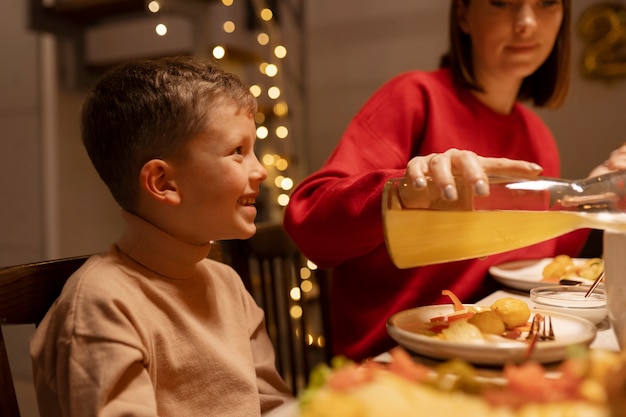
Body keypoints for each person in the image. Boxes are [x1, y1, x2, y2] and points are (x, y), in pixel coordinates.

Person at [283, 0, 626, 361]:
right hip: (390, 362)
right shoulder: (414, 99)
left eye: (546, 3)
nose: (526, 22)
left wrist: (593, 190)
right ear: (462, 13)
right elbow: (308, 224)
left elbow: (527, 255)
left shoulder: (536, 134)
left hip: (496, 356)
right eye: (501, 2)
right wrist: (399, 192)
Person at [29, 56, 292, 416]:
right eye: (238, 152)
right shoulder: (102, 305)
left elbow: (275, 406)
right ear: (163, 183)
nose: (260, 170)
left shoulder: (227, 283)